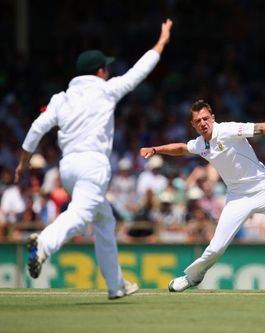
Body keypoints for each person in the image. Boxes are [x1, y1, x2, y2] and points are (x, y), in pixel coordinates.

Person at [14, 19, 174, 300]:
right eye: (106, 68)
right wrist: (162, 41)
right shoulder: (107, 89)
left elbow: (37, 128)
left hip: (68, 168)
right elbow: (140, 70)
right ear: (101, 71)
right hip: (93, 165)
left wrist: (22, 163)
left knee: (104, 221)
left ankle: (116, 285)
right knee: (81, 215)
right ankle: (43, 245)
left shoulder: (61, 98)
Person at [140, 99, 265, 292]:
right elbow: (180, 148)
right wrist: (155, 149)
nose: (203, 123)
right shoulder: (200, 144)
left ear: (213, 118)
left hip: (264, 188)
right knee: (216, 247)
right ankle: (191, 278)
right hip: (237, 196)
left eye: (206, 118)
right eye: (198, 121)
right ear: (193, 125)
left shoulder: (229, 130)